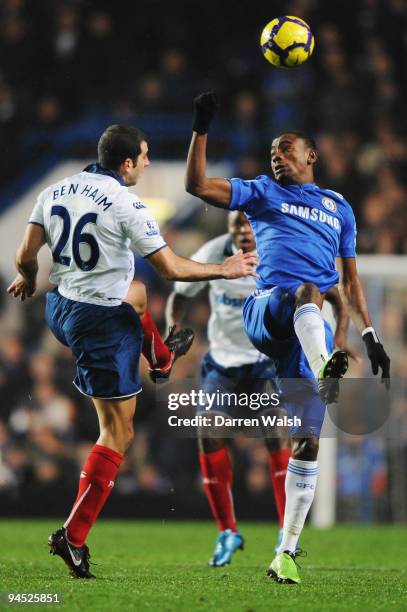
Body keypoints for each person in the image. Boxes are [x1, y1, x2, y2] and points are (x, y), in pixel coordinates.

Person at [7, 124, 258, 579]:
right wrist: (224, 268)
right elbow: (171, 267)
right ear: (125, 164)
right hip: (98, 324)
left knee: (136, 293)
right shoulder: (126, 204)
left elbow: (26, 254)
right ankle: (74, 536)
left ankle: (160, 357)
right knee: (118, 434)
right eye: (143, 157)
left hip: (60, 307)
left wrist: (26, 277)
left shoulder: (56, 189)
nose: (146, 163)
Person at [184, 93, 391, 584]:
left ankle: (287, 553)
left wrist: (369, 333)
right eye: (273, 151)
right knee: (305, 290)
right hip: (267, 311)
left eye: (285, 149)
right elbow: (195, 185)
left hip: (308, 330)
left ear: (310, 156)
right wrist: (202, 126)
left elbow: (352, 282)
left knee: (307, 443)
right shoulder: (260, 192)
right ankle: (325, 368)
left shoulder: (338, 207)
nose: (276, 156)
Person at [166, 210, 355, 567]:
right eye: (235, 223)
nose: (242, 230)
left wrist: (341, 334)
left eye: (248, 223)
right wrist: (172, 330)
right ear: (228, 228)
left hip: (266, 361)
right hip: (222, 364)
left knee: (277, 430)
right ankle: (228, 532)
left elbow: (332, 294)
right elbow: (180, 294)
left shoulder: (280, 252)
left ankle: (287, 536)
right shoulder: (213, 254)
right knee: (208, 431)